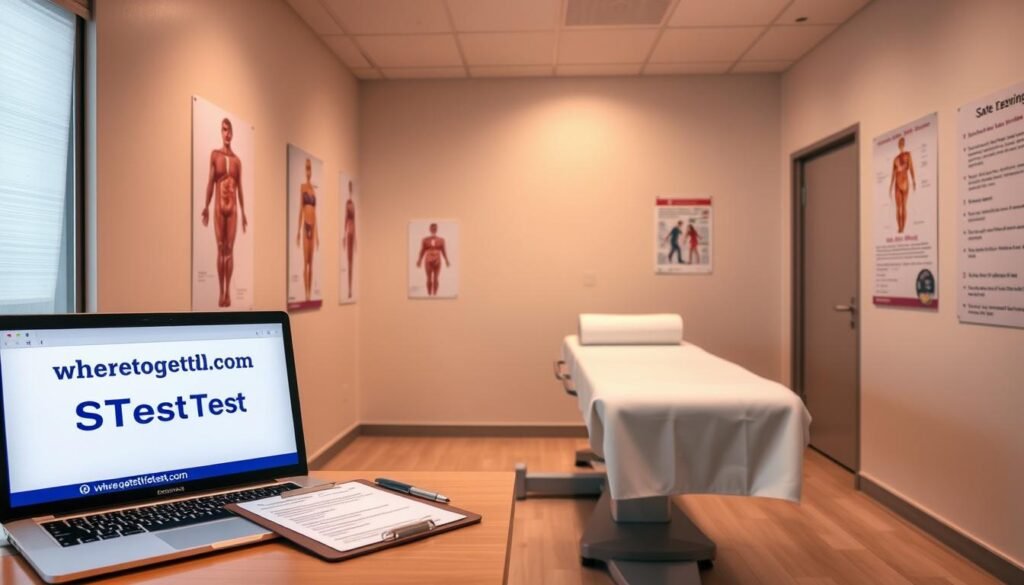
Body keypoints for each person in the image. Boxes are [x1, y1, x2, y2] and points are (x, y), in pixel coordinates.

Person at [201, 117, 248, 308]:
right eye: (224, 130)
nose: (227, 134)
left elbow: (240, 188)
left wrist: (244, 212)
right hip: (220, 208)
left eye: (229, 130)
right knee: (220, 248)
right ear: (221, 132)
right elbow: (211, 182)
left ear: (233, 133)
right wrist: (206, 205)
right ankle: (222, 293)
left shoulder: (237, 161)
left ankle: (228, 292)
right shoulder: (215, 155)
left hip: (234, 209)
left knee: (230, 250)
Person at [295, 158, 319, 302]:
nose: (308, 171)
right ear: (305, 170)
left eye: (310, 168)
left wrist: (317, 235)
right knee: (306, 262)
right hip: (305, 227)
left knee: (312, 263)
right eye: (307, 168)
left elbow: (315, 213)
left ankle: (309, 294)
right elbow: (300, 209)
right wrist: (298, 231)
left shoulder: (313, 191)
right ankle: (306, 294)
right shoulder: (303, 187)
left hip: (313, 226)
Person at [888, 136, 916, 233]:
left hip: (904, 183)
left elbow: (911, 168)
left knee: (903, 206)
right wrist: (890, 186)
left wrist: (914, 180)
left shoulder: (908, 155)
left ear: (903, 144)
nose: (900, 145)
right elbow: (893, 174)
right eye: (899, 144)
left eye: (901, 143)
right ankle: (899, 228)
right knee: (898, 207)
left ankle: (902, 228)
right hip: (897, 184)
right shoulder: (895, 159)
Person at [416, 223, 449, 296]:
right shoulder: (425, 240)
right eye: (432, 228)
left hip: (437, 259)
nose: (434, 229)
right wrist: (419, 260)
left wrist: (446, 260)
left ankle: (435, 295)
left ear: (437, 229)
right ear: (430, 229)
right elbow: (422, 250)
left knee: (436, 278)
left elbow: (443, 250)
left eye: (435, 228)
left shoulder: (441, 240)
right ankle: (429, 294)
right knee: (428, 278)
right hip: (428, 260)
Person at [342, 180, 356, 299]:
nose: (350, 189)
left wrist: (355, 239)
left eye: (351, 187)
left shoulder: (354, 204)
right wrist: (343, 235)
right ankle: (349, 289)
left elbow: (354, 220)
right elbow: (346, 219)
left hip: (353, 232)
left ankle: (350, 289)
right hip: (348, 231)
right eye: (349, 186)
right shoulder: (347, 203)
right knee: (348, 261)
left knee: (351, 262)